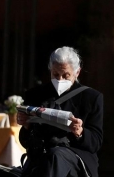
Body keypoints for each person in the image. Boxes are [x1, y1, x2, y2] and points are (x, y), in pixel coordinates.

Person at [15, 46, 104, 177]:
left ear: (77, 73)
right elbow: (25, 142)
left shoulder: (91, 98)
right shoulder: (36, 95)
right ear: (50, 70)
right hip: (41, 154)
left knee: (55, 156)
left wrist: (80, 132)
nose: (60, 80)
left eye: (66, 75)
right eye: (55, 74)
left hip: (74, 156)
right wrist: (27, 126)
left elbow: (96, 142)